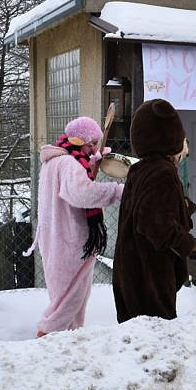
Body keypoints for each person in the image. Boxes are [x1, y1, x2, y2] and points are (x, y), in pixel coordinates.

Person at [27, 117, 124, 337]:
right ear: (80, 140)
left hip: (55, 238)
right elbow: (82, 193)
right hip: (70, 239)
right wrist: (116, 191)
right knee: (70, 298)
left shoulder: (54, 161)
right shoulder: (69, 163)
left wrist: (90, 165)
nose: (93, 149)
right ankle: (46, 337)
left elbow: (71, 185)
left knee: (66, 296)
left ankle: (68, 340)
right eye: (91, 144)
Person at [112, 99, 196, 323]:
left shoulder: (139, 169)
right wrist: (184, 242)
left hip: (129, 269)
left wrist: (182, 207)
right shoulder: (163, 173)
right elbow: (153, 223)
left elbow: (144, 208)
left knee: (136, 340)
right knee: (157, 339)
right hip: (149, 275)